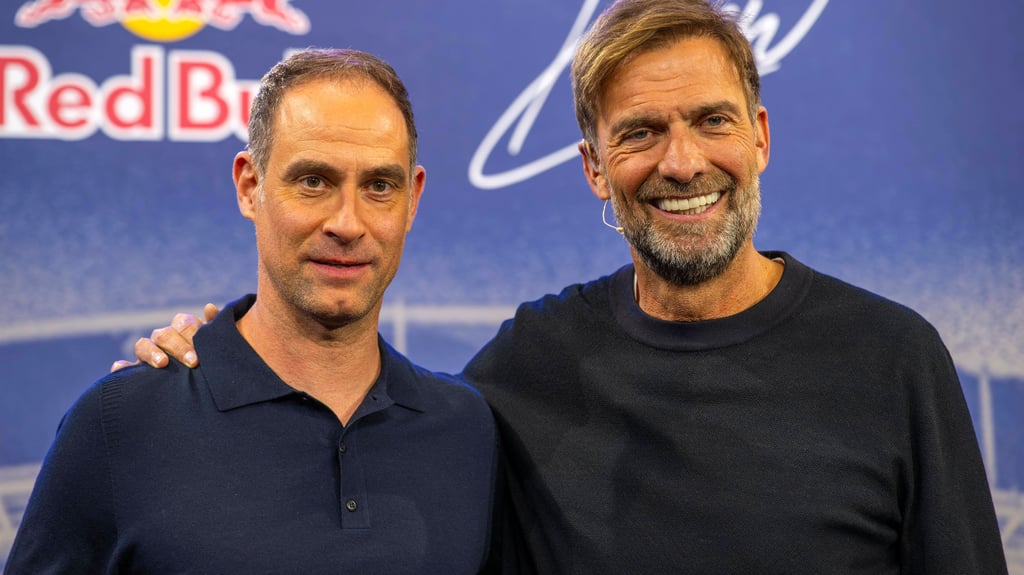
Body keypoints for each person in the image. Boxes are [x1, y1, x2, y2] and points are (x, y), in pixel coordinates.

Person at [111, 1, 1008, 573]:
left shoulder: (892, 359)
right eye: (641, 131)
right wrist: (205, 354)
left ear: (761, 137)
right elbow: (352, 444)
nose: (682, 160)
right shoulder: (525, 365)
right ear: (592, 168)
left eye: (712, 121)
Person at [5, 49, 499, 574]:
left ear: (412, 201)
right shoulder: (119, 423)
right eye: (314, 181)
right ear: (250, 186)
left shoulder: (466, 430)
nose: (348, 223)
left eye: (379, 186)